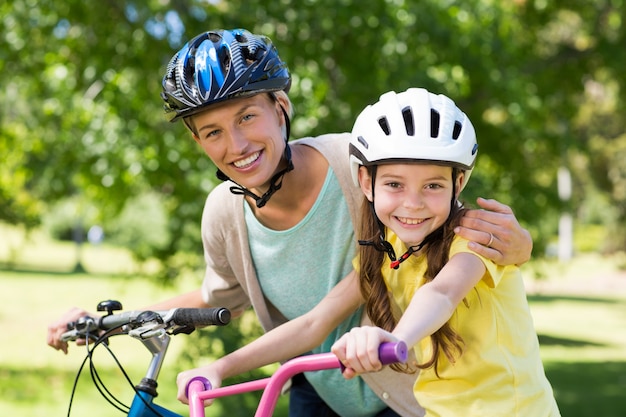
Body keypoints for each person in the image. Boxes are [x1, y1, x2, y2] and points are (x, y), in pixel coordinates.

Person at [47, 29, 534, 417]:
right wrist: (104, 324)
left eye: (247, 118)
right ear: (198, 142)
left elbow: (449, 222)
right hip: (317, 389)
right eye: (212, 132)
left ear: (281, 108)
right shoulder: (224, 212)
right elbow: (221, 300)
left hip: (408, 394)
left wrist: (520, 244)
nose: (235, 144)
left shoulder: (360, 164)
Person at [328, 88, 561, 416]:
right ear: (366, 181)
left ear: (459, 182)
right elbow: (313, 323)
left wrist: (398, 340)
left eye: (433, 185)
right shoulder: (389, 253)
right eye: (395, 184)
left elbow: (442, 292)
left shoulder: (473, 238)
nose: (413, 203)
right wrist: (230, 365)